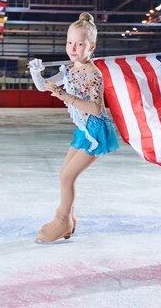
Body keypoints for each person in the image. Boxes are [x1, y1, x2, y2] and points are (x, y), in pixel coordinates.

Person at [28, 12, 119, 243]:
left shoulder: (93, 74)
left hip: (96, 132)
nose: (73, 48)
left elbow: (95, 109)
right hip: (83, 130)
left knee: (66, 177)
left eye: (79, 44)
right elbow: (43, 87)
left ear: (91, 46)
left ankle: (62, 220)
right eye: (70, 42)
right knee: (64, 176)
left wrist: (64, 95)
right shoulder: (69, 69)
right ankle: (69, 220)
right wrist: (35, 71)